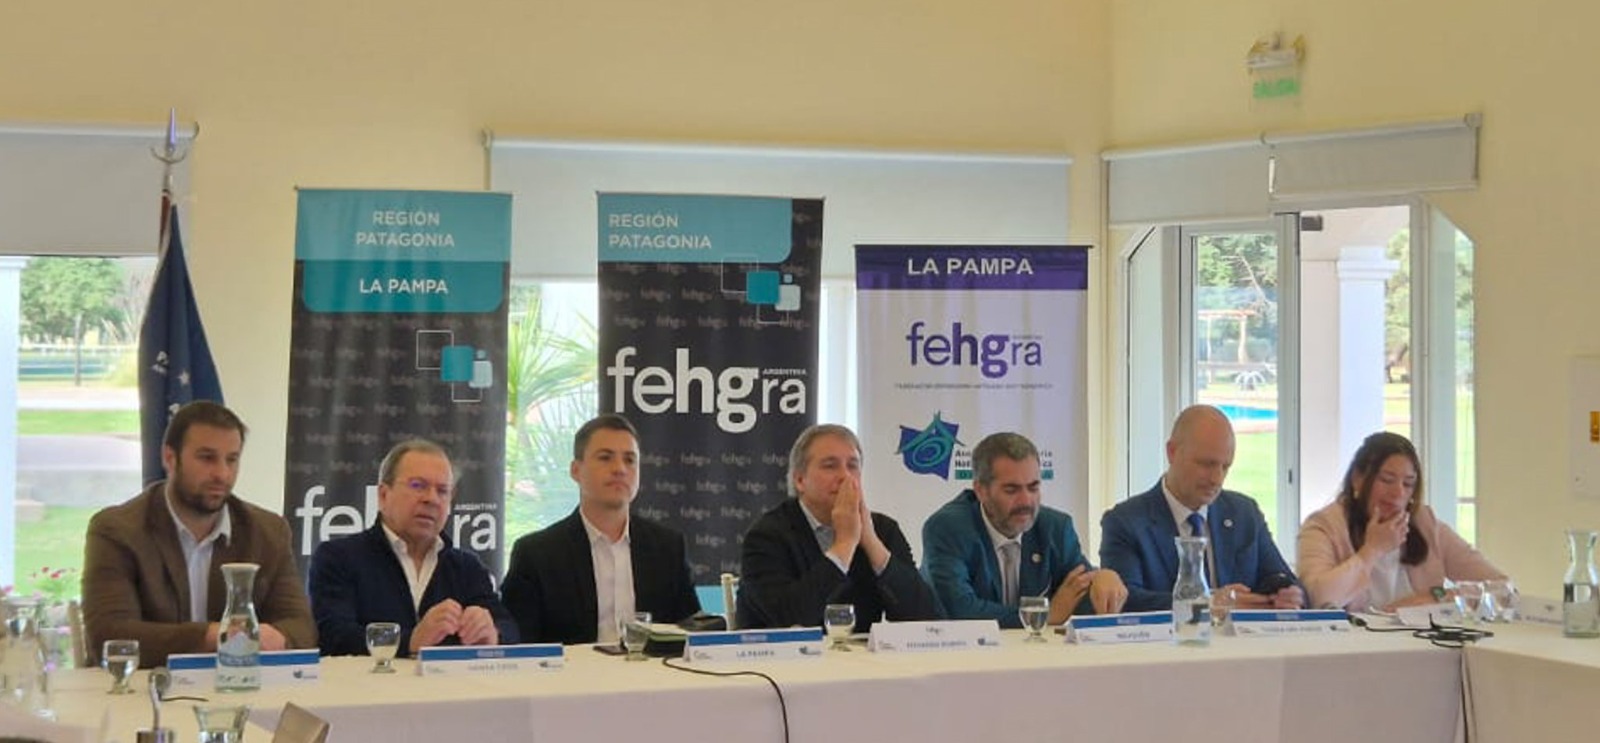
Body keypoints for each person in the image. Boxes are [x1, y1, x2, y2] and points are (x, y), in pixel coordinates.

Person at [83, 401, 316, 668]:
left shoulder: (268, 531)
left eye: (232, 459)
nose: (222, 474)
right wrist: (217, 636)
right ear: (170, 458)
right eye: (207, 458)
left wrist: (279, 639)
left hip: (239, 684)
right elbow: (110, 636)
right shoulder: (118, 530)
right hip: (145, 688)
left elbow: (301, 628)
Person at [501, 414, 700, 644]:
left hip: (653, 667)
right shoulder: (536, 554)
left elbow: (691, 631)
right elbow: (520, 644)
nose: (620, 469)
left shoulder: (668, 548)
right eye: (605, 458)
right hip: (571, 668)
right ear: (576, 470)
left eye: (629, 460)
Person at [308, 439, 517, 656]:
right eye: (418, 486)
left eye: (442, 491)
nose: (431, 499)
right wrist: (410, 640)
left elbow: (510, 629)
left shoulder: (466, 567)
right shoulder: (338, 558)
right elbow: (335, 636)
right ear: (383, 495)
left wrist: (492, 633)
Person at [1100, 405, 1305, 612]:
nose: (1217, 478)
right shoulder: (1126, 522)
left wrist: (1288, 595)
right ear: (1172, 452)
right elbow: (1126, 601)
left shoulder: (1244, 513)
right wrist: (1206, 604)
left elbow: (1282, 578)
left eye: (1225, 467)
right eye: (1206, 464)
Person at [737, 424, 941, 630]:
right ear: (800, 480)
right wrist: (844, 545)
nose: (845, 476)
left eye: (852, 466)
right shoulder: (766, 535)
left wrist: (872, 543)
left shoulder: (883, 529)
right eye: (830, 466)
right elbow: (789, 618)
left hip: (861, 651)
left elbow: (923, 617)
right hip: (785, 651)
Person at [922, 432, 1127, 626]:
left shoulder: (1055, 528)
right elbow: (959, 610)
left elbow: (1079, 591)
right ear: (981, 491)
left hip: (1034, 650)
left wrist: (1102, 579)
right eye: (1011, 490)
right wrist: (1042, 615)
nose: (1026, 501)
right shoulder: (948, 528)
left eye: (1033, 487)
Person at [1297, 431, 1505, 611]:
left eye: (1408, 484)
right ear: (1357, 479)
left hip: (1422, 641)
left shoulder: (1425, 523)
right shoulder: (1323, 526)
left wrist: (1435, 596)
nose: (1398, 493)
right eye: (1387, 480)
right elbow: (1318, 599)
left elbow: (1501, 587)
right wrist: (1372, 550)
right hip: (1351, 643)